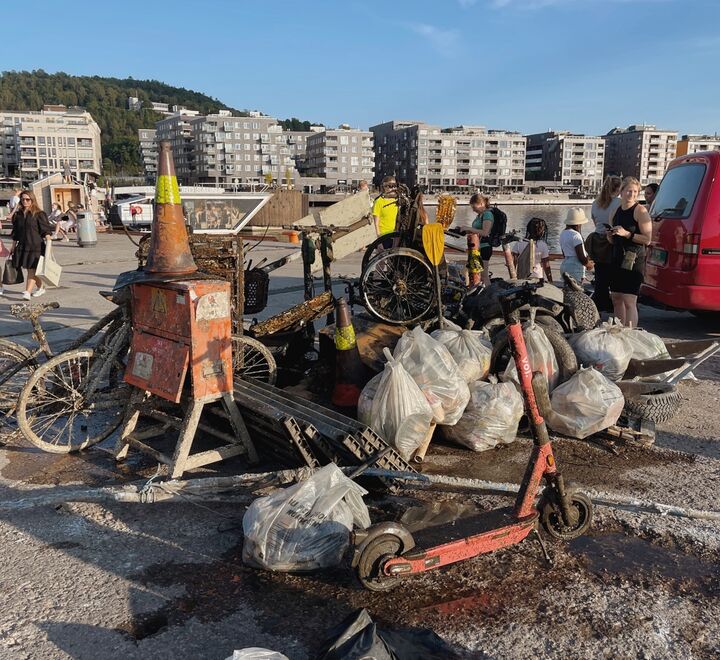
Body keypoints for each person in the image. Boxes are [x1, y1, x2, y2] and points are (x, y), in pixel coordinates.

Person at [607, 176, 652, 327]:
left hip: (633, 258)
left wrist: (627, 234)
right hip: (617, 257)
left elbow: (647, 239)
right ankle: (620, 330)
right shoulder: (616, 211)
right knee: (616, 297)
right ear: (621, 191)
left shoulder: (640, 210)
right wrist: (610, 235)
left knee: (629, 300)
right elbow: (613, 241)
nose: (631, 194)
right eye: (628, 191)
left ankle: (630, 333)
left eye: (635, 191)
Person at [7, 190, 54, 300]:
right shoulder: (18, 214)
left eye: (27, 199)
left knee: (32, 269)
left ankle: (27, 292)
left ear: (32, 200)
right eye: (22, 199)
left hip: (36, 246)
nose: (25, 201)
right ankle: (41, 287)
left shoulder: (39, 214)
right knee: (30, 269)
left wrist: (49, 240)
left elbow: (45, 229)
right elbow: (16, 232)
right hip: (23, 245)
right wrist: (13, 245)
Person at [588, 175, 622, 312]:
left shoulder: (596, 202)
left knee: (600, 274)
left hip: (597, 241)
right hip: (611, 240)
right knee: (614, 274)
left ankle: (600, 302)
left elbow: (596, 223)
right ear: (619, 188)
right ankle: (612, 304)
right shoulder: (619, 203)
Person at [511, 217, 553, 282]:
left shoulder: (519, 243)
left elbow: (513, 263)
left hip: (521, 278)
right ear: (542, 232)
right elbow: (546, 265)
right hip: (538, 278)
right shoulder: (543, 245)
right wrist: (550, 281)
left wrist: (513, 278)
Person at [559, 207, 594, 284]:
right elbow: (581, 257)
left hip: (564, 265)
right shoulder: (576, 235)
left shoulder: (563, 233)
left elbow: (564, 254)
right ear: (578, 224)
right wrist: (589, 265)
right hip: (575, 268)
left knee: (567, 290)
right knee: (576, 292)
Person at [467, 193, 494, 286]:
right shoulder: (479, 215)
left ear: (481, 204)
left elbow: (485, 232)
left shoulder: (487, 214)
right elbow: (476, 230)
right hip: (477, 247)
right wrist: (464, 229)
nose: (473, 210)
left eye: (474, 207)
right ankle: (483, 294)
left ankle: (490, 295)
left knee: (484, 275)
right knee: (477, 274)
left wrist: (469, 229)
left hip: (485, 246)